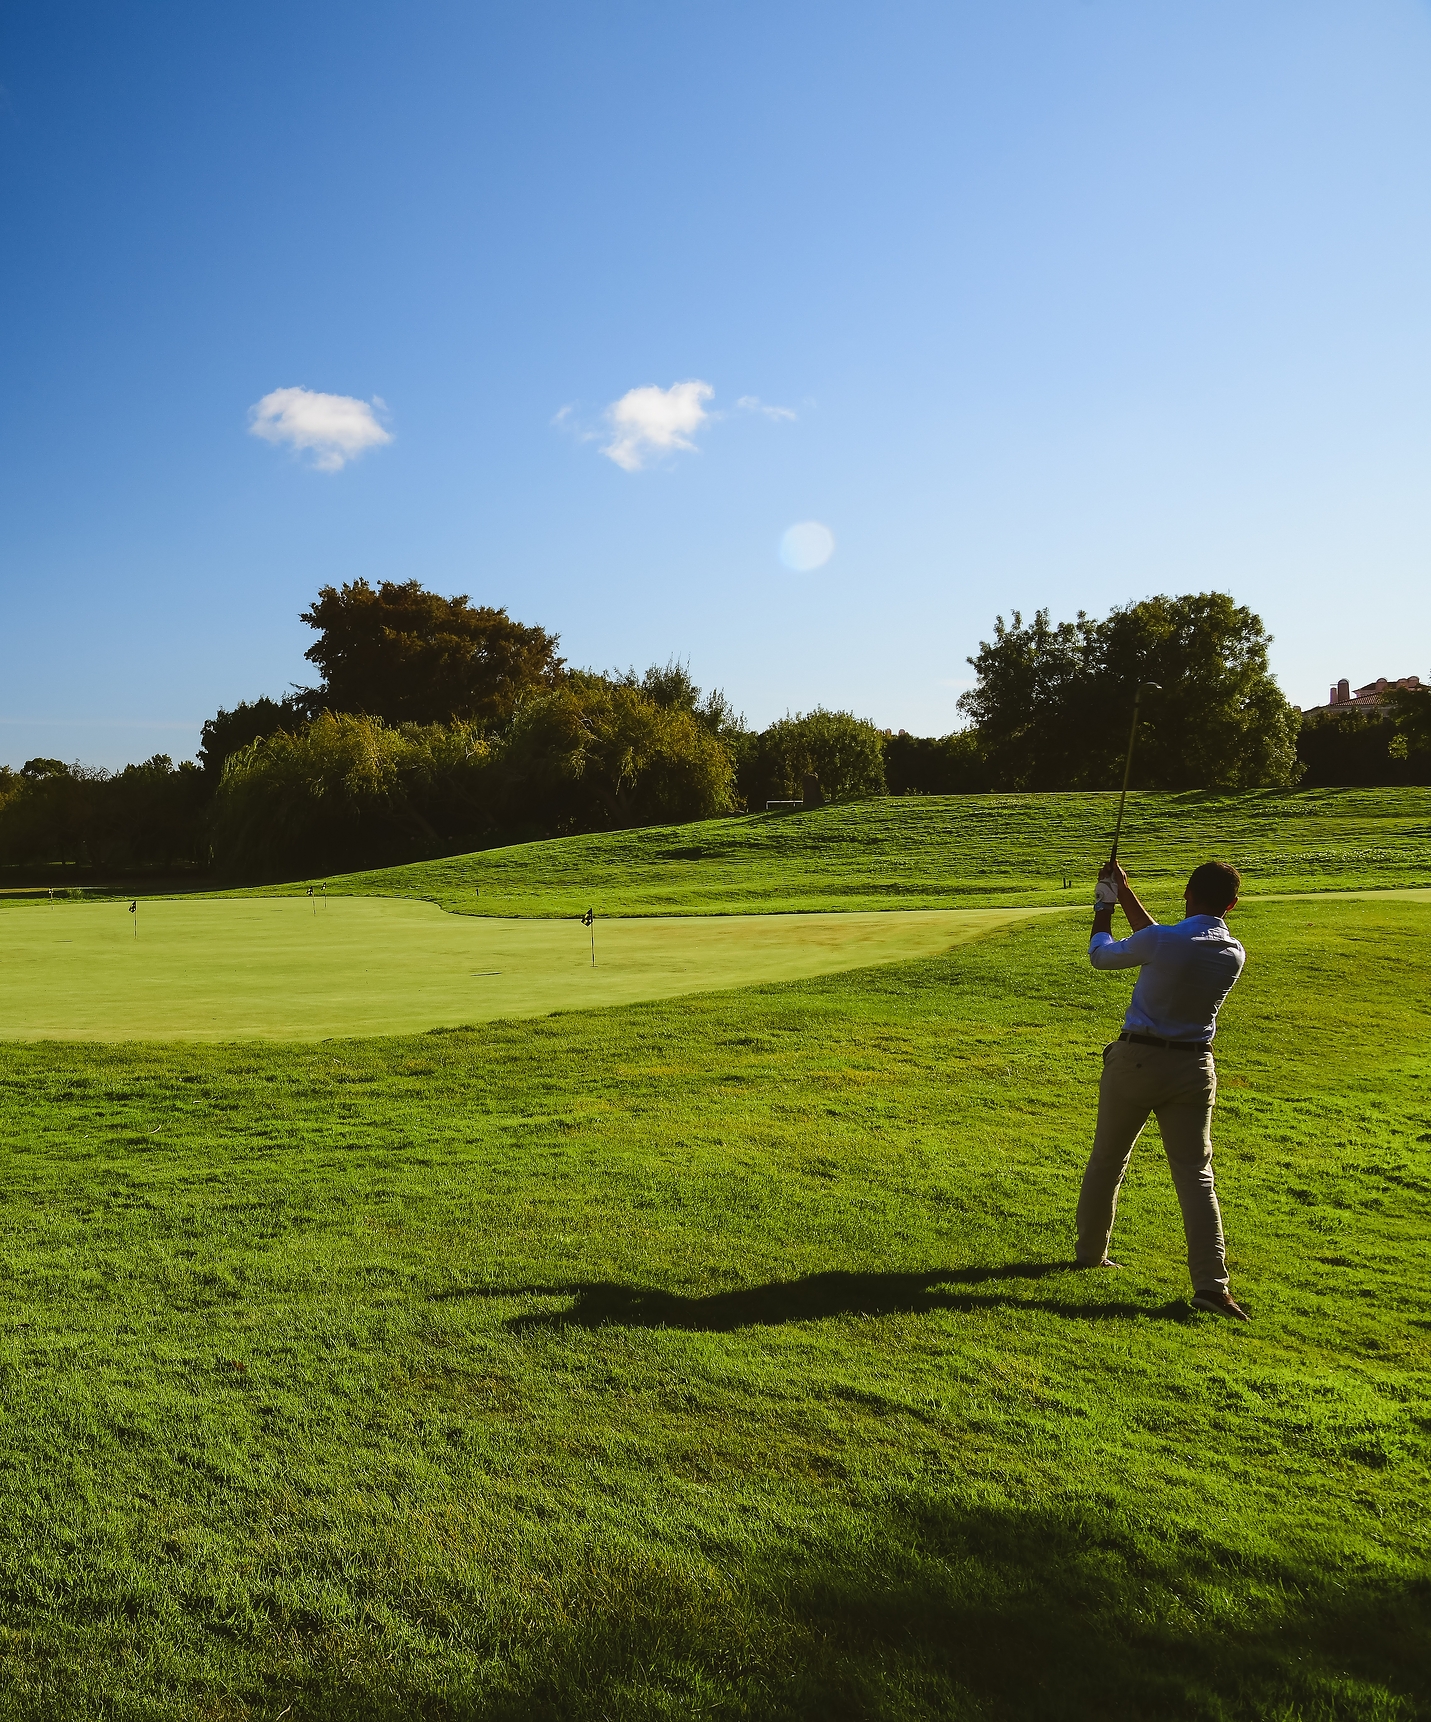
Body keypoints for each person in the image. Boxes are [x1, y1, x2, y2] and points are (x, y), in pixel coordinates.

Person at [1076, 858, 1250, 1321]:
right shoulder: (1232, 951)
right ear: (1231, 904)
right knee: (1196, 1176)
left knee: (1109, 1158)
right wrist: (1126, 892)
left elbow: (1102, 955)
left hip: (1136, 1061)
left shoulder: (1163, 940)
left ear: (1186, 892)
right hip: (1194, 1067)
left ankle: (1090, 1253)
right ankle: (1213, 1286)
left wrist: (1105, 903)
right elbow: (1161, 941)